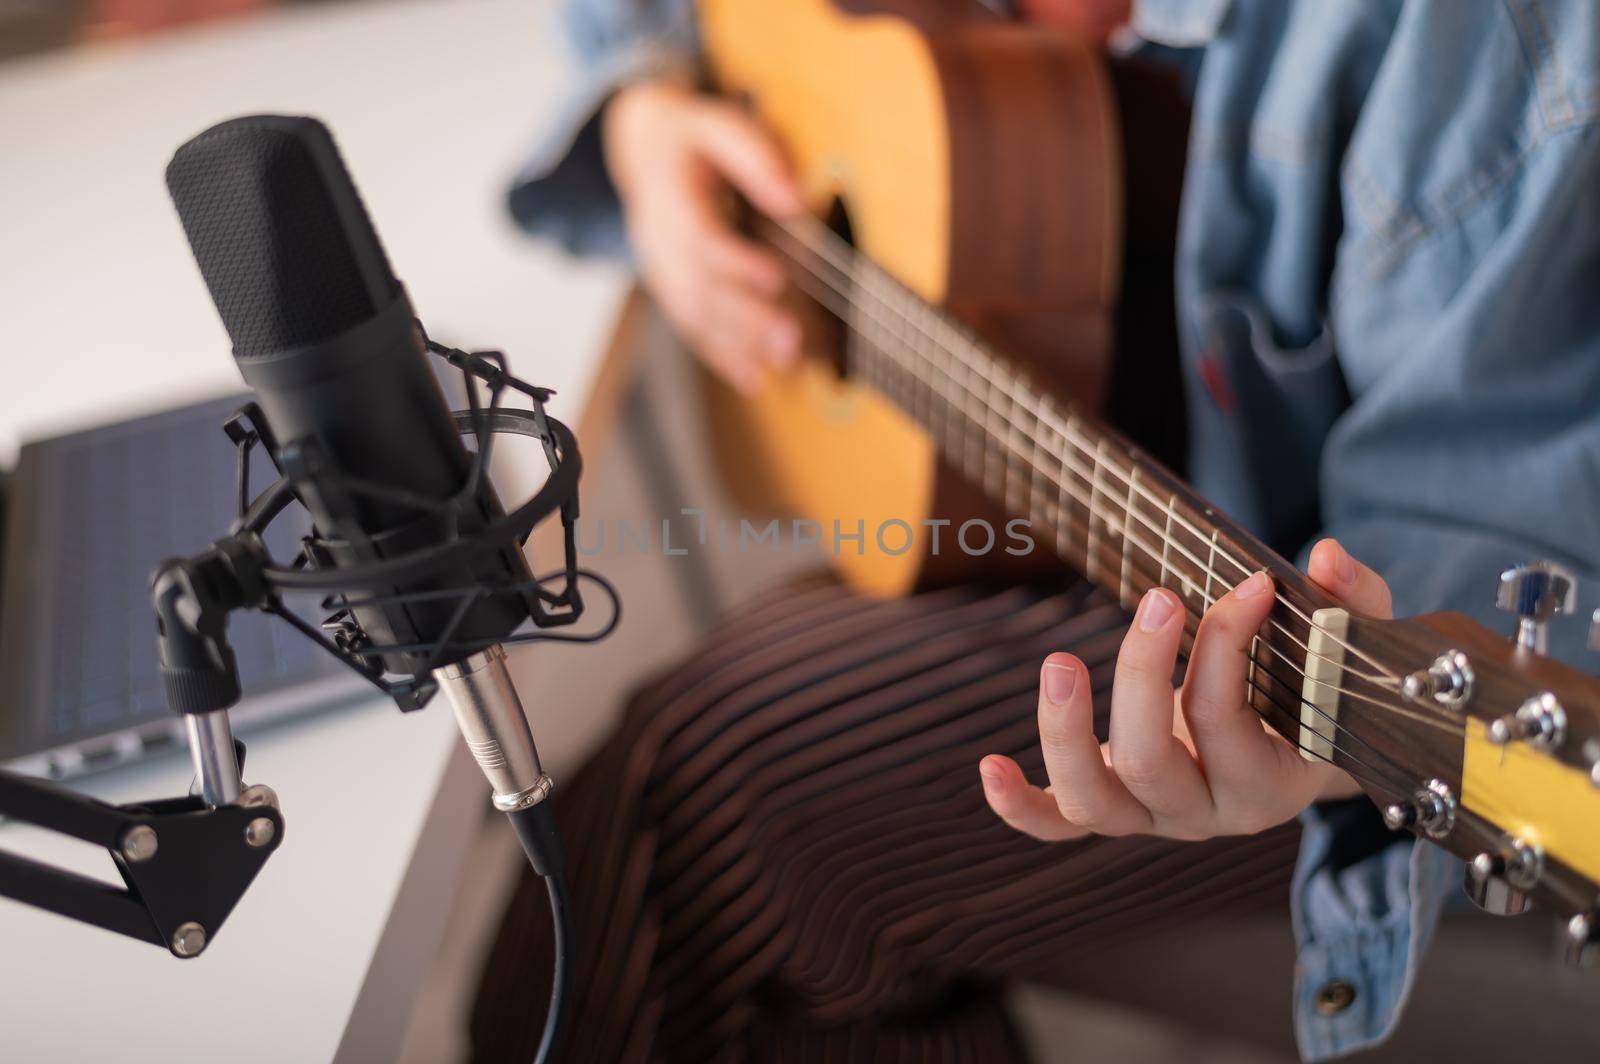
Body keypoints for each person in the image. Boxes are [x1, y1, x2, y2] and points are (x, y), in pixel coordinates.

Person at [472, 2, 1600, 1061]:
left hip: (1297, 626)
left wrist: (1327, 762)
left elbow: (1484, 570)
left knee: (692, 810)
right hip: (1061, 490)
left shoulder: (1486, 44)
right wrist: (644, 111)